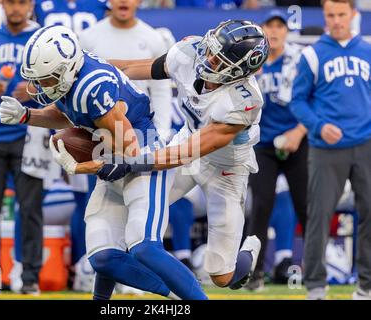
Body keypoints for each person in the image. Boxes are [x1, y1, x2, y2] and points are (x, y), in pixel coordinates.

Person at [0, 25, 207, 300]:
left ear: (66, 69)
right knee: (103, 256)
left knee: (144, 247)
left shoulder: (92, 86)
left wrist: (81, 165)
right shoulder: (72, 77)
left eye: (47, 79)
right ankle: (174, 293)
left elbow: (128, 148)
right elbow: (68, 111)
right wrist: (27, 115)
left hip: (141, 156)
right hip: (114, 152)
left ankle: (194, 297)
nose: (40, 87)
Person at [60, 19, 269, 290]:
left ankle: (247, 254)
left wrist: (129, 162)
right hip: (186, 138)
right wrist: (83, 69)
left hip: (224, 169)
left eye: (218, 60)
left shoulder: (244, 101)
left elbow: (185, 154)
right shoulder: (190, 52)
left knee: (222, 277)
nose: (207, 59)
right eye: (210, 50)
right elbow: (131, 68)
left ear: (239, 71)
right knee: (126, 217)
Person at [290, 0, 371, 300]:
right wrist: (318, 125)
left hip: (366, 145)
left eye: (341, 15)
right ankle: (315, 287)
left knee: (370, 214)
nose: (336, 21)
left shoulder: (367, 51)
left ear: (353, 15)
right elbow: (297, 101)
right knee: (318, 217)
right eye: (330, 15)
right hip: (327, 148)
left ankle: (366, 287)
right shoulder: (311, 55)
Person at [0, 0, 44, 295]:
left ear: (31, 5)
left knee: (30, 209)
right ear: (1, 4)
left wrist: (37, 89)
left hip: (30, 134)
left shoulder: (45, 37)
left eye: (22, 2)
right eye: (11, 1)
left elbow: (65, 84)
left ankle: (29, 278)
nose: (16, 8)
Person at [244, 10, 307, 291]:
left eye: (280, 26)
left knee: (307, 207)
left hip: (298, 140)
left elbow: (317, 100)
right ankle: (253, 274)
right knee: (260, 207)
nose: (275, 31)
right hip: (263, 145)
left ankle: (316, 270)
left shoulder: (301, 60)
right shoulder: (249, 60)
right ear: (261, 29)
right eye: (269, 25)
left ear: (287, 30)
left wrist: (298, 131)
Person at [79, 0, 172, 139]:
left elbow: (161, 89)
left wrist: (162, 132)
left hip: (140, 128)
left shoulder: (153, 38)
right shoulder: (87, 37)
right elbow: (76, 87)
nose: (123, 1)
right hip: (96, 130)